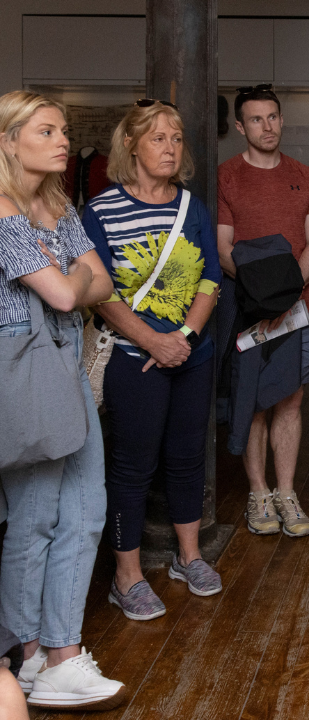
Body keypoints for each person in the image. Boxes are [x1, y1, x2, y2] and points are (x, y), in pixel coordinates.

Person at [0, 90, 126, 710]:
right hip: (24, 373)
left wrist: (74, 279)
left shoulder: (56, 202)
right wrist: (74, 278)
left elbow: (101, 281)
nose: (63, 141)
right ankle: (26, 658)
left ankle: (63, 653)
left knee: (87, 509)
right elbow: (63, 292)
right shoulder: (0, 211)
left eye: (63, 130)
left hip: (68, 366)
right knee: (35, 518)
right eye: (46, 130)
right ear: (8, 140)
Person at [82, 100, 224, 622]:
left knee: (187, 457)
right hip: (132, 357)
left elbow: (210, 275)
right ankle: (127, 576)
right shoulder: (99, 212)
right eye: (158, 138)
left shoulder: (193, 207)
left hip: (193, 352)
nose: (170, 147)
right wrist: (153, 341)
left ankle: (190, 557)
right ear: (131, 145)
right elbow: (100, 292)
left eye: (177, 138)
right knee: (133, 465)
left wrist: (185, 335)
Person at [216, 84, 309, 537]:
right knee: (254, 405)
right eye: (256, 120)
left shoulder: (307, 176)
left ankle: (286, 491)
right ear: (241, 126)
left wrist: (283, 296)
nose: (267, 126)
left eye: (273, 117)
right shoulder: (226, 176)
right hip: (248, 313)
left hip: (299, 310)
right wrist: (263, 298)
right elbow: (223, 249)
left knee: (290, 401)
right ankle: (258, 492)